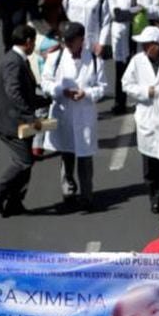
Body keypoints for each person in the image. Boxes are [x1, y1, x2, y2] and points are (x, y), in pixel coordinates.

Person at [42, 21, 106, 208]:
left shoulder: (95, 60)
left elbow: (102, 87)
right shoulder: (56, 57)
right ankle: (68, 189)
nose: (68, 45)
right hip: (64, 112)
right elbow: (45, 82)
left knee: (85, 156)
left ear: (81, 40)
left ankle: (87, 195)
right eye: (66, 41)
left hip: (84, 114)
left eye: (72, 41)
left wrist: (86, 93)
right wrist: (62, 90)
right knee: (67, 153)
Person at [123, 25, 159, 211]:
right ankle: (155, 197)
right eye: (144, 44)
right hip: (147, 120)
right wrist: (145, 91)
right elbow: (126, 84)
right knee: (150, 166)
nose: (145, 48)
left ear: (158, 45)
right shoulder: (137, 61)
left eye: (148, 44)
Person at [0, 23, 40, 217]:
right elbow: (14, 92)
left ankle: (15, 202)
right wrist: (30, 116)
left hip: (19, 123)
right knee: (24, 162)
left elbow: (24, 91)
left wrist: (44, 99)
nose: (34, 45)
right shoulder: (13, 61)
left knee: (26, 163)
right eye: (33, 42)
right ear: (28, 42)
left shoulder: (19, 60)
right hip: (12, 124)